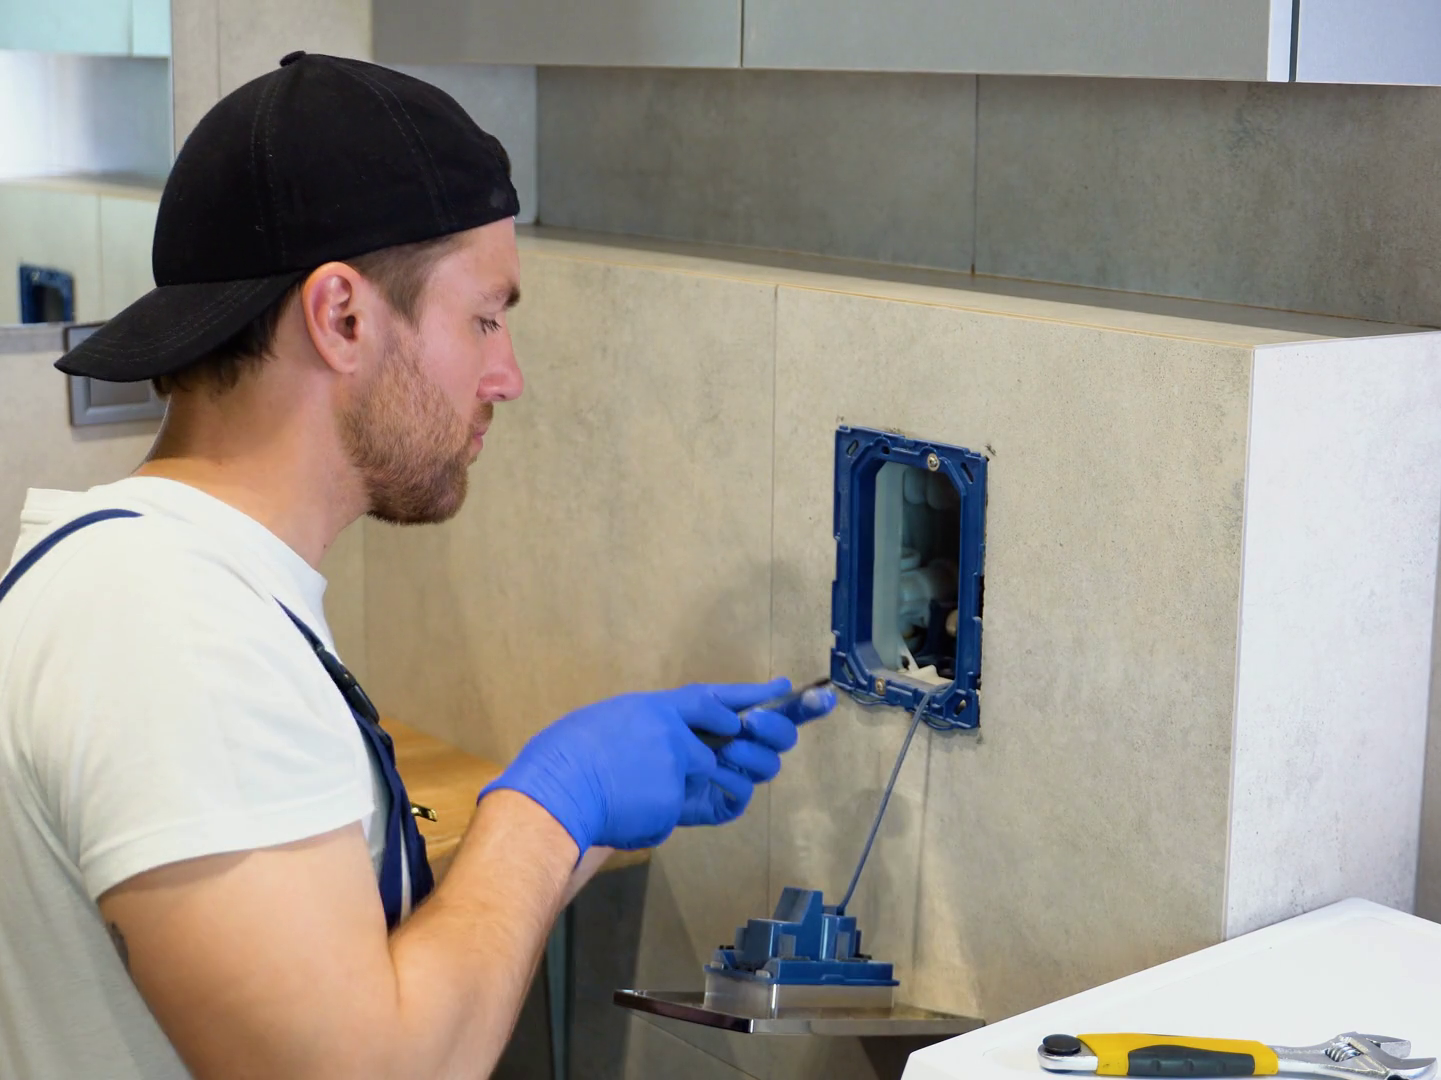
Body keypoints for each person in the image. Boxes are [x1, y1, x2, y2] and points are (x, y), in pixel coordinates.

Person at [0, 52, 834, 1080]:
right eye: (484, 317)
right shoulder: (172, 633)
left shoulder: (161, 586)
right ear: (341, 317)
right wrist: (549, 808)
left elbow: (347, 977)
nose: (507, 376)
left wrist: (582, 827)